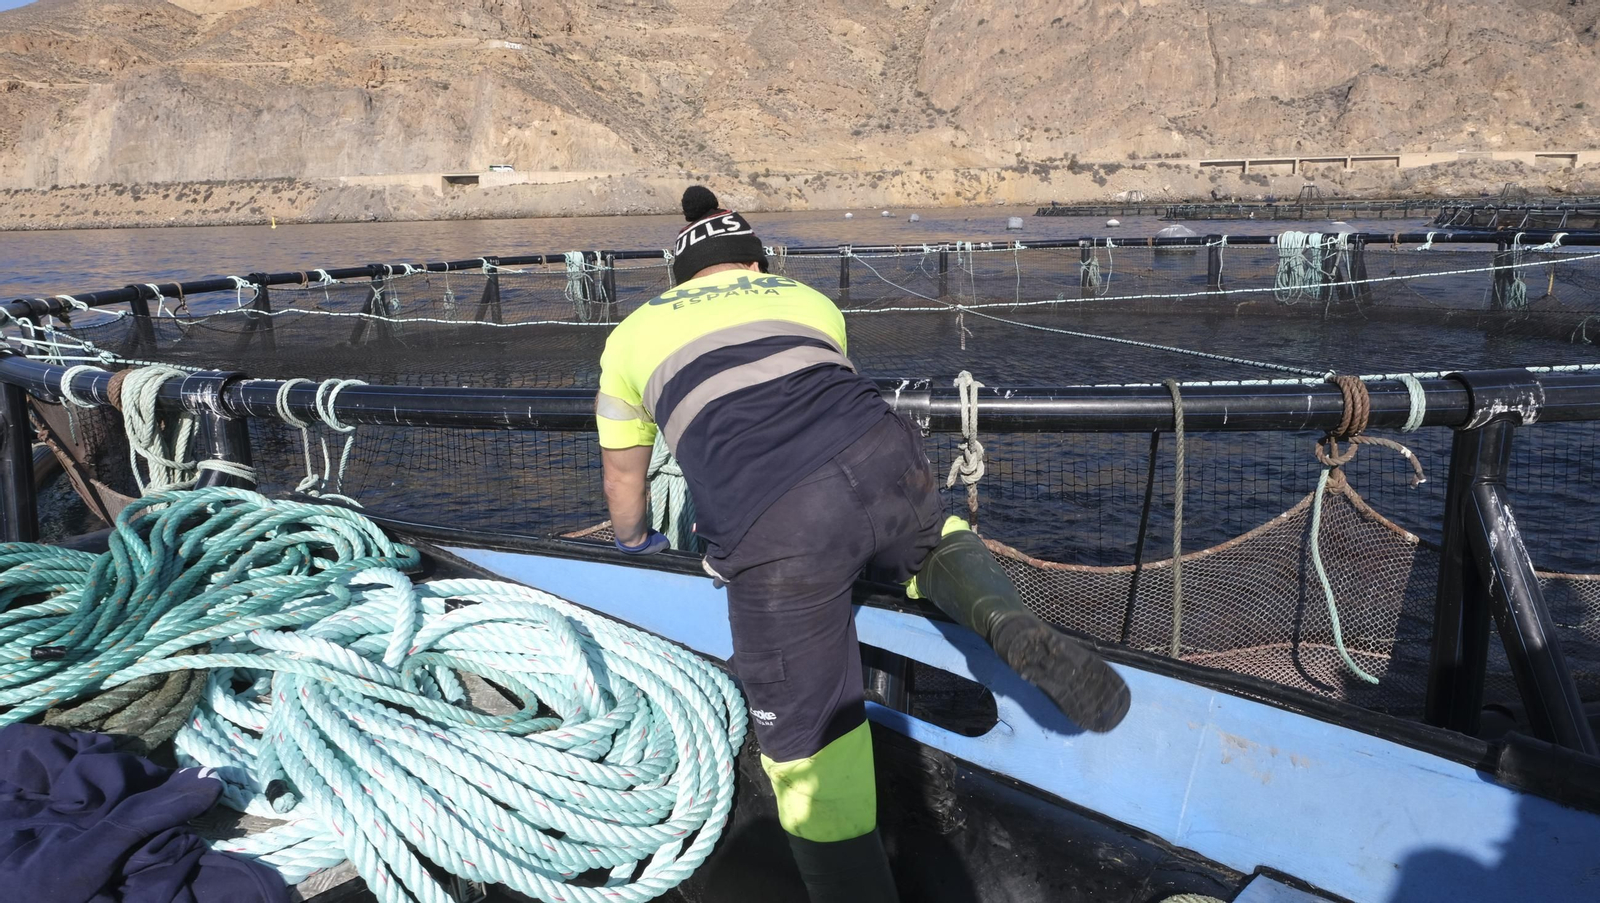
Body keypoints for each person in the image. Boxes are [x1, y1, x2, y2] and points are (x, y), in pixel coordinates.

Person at [595, 186, 1130, 903]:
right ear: (757, 265)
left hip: (777, 521)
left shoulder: (631, 336)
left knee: (810, 755)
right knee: (929, 542)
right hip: (884, 458)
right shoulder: (809, 302)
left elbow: (623, 482)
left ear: (680, 277)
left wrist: (637, 542)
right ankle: (1006, 618)